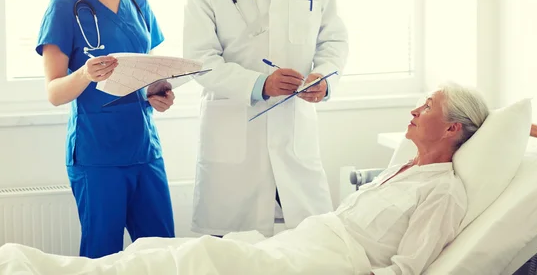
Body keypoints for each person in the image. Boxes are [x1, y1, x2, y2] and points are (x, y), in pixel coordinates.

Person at [0, 82, 489, 274]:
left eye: (426, 107)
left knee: (199, 258)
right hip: (305, 242)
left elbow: (406, 270)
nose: (413, 109)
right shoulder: (403, 168)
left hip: (326, 263)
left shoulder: (442, 191)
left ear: (451, 129)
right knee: (168, 252)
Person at [183, 0, 349, 236]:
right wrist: (258, 84)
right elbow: (199, 58)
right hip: (235, 129)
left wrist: (324, 78)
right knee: (232, 251)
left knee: (310, 243)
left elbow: (333, 38)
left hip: (294, 127)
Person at [34, 0, 176, 258]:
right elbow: (54, 93)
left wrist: (159, 93)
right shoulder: (65, 7)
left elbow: (146, 71)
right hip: (97, 155)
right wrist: (84, 73)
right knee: (103, 257)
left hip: (144, 150)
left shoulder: (138, 3)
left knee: (164, 254)